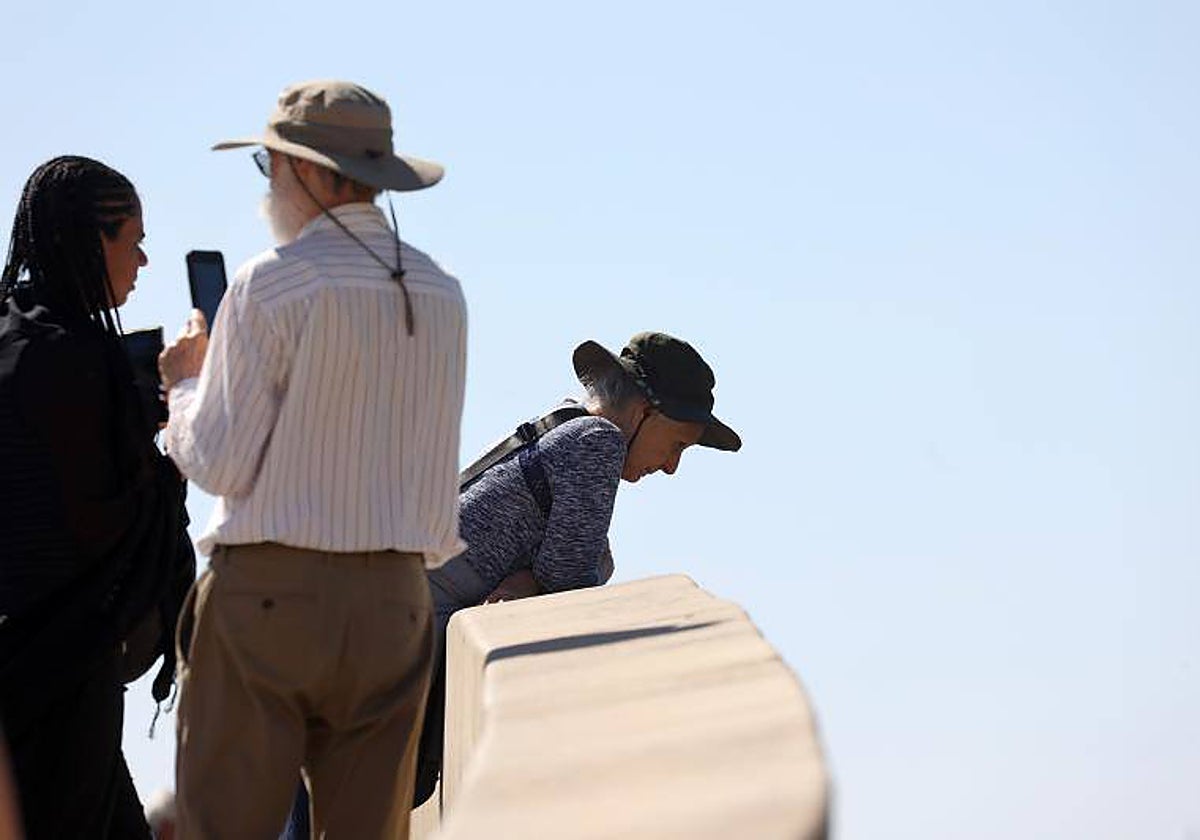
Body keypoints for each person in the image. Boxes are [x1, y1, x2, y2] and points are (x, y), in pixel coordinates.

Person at [160, 80, 467, 838]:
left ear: (316, 174)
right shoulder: (442, 292)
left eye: (273, 167)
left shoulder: (271, 284)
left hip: (272, 595)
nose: (271, 188)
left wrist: (185, 383)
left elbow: (218, 463)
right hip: (396, 600)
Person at [413, 331, 741, 804]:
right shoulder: (597, 440)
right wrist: (563, 573)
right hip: (403, 636)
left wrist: (544, 576)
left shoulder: (563, 428)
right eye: (678, 444)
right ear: (644, 413)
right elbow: (572, 575)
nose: (670, 466)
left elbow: (564, 566)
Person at [0, 156, 195, 838]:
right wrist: (177, 446)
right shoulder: (67, 363)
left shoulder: (25, 340)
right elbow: (100, 523)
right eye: (130, 239)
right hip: (57, 680)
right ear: (91, 242)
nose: (142, 259)